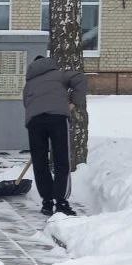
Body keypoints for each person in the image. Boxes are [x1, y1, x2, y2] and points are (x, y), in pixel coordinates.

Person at [23, 55, 87, 217]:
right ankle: (61, 203)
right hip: (57, 119)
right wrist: (74, 102)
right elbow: (80, 78)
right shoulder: (59, 75)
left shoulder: (29, 84)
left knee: (40, 162)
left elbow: (26, 103)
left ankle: (47, 203)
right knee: (61, 160)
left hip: (34, 122)